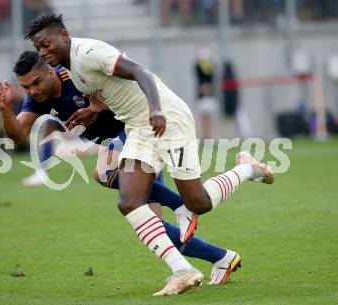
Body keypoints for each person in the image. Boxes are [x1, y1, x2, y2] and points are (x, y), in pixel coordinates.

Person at [25, 13, 274, 295]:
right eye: (38, 49)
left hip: (166, 118)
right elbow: (101, 89)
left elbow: (139, 72)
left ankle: (248, 168)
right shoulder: (72, 68)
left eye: (46, 45)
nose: (43, 53)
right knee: (129, 201)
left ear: (64, 37)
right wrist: (92, 108)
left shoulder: (89, 53)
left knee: (199, 202)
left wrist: (156, 109)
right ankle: (183, 270)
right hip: (139, 129)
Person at [0, 50, 242, 286]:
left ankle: (181, 212)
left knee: (103, 172)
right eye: (25, 87)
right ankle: (221, 257)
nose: (32, 91)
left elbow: (126, 86)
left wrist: (100, 106)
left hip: (135, 128)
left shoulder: (75, 73)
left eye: (35, 83)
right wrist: (5, 110)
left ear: (50, 72)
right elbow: (16, 136)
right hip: (118, 143)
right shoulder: (36, 100)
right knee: (153, 226)